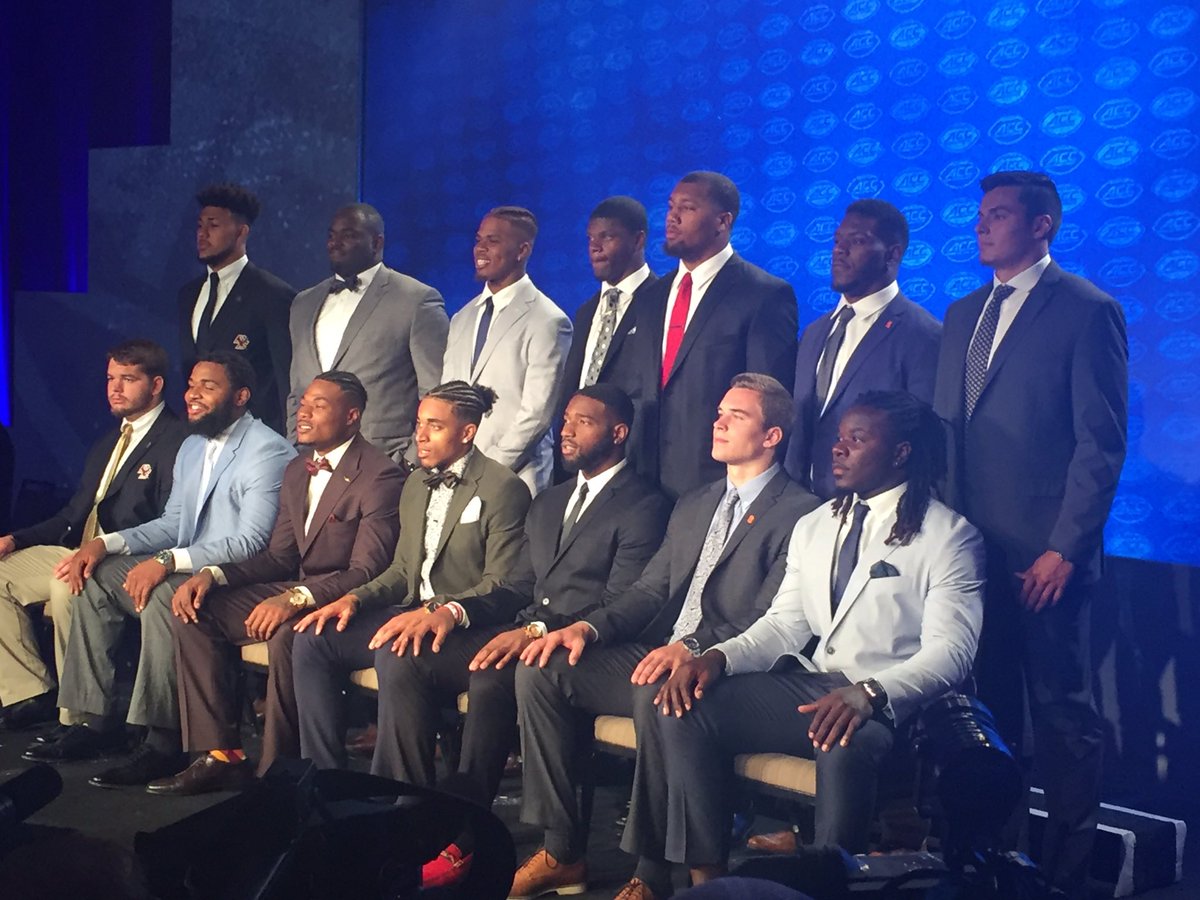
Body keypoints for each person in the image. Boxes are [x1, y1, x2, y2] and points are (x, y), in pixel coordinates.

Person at [625, 392, 984, 900]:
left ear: (900, 452)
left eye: (857, 439)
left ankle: (829, 885)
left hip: (889, 704)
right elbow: (784, 624)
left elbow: (952, 653)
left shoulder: (948, 536)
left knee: (840, 741)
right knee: (682, 704)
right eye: (839, 437)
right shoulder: (816, 525)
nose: (838, 448)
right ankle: (712, 883)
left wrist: (869, 693)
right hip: (813, 686)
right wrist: (718, 657)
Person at [509, 373, 820, 900]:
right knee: (543, 668)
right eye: (719, 412)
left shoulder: (801, 511)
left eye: (736, 416)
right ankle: (562, 851)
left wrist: (693, 648)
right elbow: (649, 591)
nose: (718, 423)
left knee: (658, 693)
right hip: (659, 649)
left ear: (772, 436)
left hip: (725, 663)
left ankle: (651, 874)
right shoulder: (695, 502)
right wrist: (585, 627)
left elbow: (770, 617)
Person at [932, 170, 1128, 898]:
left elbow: (1099, 445)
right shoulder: (961, 313)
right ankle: (994, 863)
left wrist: (1064, 548)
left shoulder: (1086, 310)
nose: (981, 225)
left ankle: (1065, 878)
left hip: (1045, 560)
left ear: (1042, 225)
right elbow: (948, 438)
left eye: (999, 214)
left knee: (1062, 717)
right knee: (986, 719)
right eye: (980, 214)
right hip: (968, 554)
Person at [413, 384, 672, 887]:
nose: (567, 430)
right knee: (475, 671)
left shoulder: (645, 504)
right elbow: (519, 586)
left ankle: (548, 848)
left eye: (584, 422)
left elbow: (622, 602)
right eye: (566, 419)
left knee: (508, 675)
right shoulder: (549, 501)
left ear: (619, 433)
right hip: (532, 635)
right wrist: (455, 610)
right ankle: (462, 833)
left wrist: (537, 629)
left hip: (596, 647)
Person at [26, 353, 295, 791]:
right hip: (186, 563)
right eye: (191, 385)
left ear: (241, 396)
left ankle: (161, 741)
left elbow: (251, 542)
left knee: (164, 596)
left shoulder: (267, 451)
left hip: (236, 575)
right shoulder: (192, 446)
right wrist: (106, 544)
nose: (192, 394)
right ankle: (94, 721)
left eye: (208, 386)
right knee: (93, 577)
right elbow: (173, 523)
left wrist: (167, 561)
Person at [147, 371, 403, 794]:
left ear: (352, 416)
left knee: (289, 634)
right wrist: (213, 574)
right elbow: (279, 557)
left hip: (346, 599)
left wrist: (296, 598)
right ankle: (221, 755)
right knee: (194, 609)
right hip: (296, 587)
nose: (303, 412)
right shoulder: (297, 470)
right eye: (303, 403)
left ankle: (278, 774)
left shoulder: (380, 475)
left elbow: (366, 571)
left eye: (319, 405)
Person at [290, 380, 531, 776]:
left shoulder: (504, 488)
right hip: (411, 611)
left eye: (434, 426)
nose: (420, 435)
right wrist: (354, 599)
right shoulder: (416, 481)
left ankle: (399, 796)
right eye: (419, 423)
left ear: (467, 433)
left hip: (468, 623)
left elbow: (500, 584)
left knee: (398, 652)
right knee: (314, 638)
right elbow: (403, 571)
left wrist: (437, 610)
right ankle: (323, 779)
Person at [0, 340, 186, 732]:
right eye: (110, 378)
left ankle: (80, 719)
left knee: (69, 584)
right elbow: (71, 515)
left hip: (123, 559)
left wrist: (103, 550)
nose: (114, 388)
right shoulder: (108, 442)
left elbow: (172, 523)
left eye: (127, 379)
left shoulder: (178, 439)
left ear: (156, 385)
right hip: (76, 550)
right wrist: (15, 539)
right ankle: (30, 692)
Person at [627, 172, 798, 500]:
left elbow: (767, 400)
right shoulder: (650, 297)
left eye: (687, 208)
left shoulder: (763, 295)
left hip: (714, 483)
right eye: (671, 207)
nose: (672, 217)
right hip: (643, 480)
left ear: (723, 221)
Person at [784, 199, 941, 499]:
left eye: (856, 241)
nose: (839, 250)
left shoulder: (922, 335)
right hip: (801, 505)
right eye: (837, 241)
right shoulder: (815, 332)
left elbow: (924, 441)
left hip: (869, 510)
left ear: (892, 254)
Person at [287, 203, 449, 463]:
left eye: (349, 235)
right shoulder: (303, 303)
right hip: (313, 460)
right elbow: (297, 388)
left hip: (383, 458)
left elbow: (436, 392)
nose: (335, 243)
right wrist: (296, 447)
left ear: (377, 242)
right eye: (331, 235)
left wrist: (409, 461)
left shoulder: (415, 300)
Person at [441, 206, 571, 495]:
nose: (480, 248)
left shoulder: (548, 320)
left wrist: (487, 470)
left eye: (493, 240)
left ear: (522, 250)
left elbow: (537, 414)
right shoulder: (461, 318)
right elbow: (446, 395)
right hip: (454, 474)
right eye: (478, 240)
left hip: (513, 478)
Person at [554, 197, 657, 483]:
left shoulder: (661, 303)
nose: (595, 247)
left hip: (632, 463)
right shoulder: (586, 311)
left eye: (607, 237)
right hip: (577, 461)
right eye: (590, 239)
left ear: (638, 240)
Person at [179, 183, 295, 433]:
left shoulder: (272, 294)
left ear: (241, 232)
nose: (202, 234)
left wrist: (290, 439)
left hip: (256, 435)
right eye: (199, 226)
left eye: (213, 226)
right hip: (199, 435)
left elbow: (285, 376)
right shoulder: (188, 294)